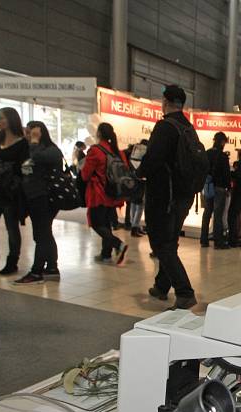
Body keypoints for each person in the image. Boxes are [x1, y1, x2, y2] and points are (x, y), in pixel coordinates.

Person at [137, 84, 198, 310]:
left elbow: (152, 160)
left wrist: (138, 173)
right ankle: (161, 286)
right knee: (170, 241)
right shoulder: (188, 127)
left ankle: (184, 292)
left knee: (161, 243)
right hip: (184, 196)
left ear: (164, 101)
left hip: (164, 196)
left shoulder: (165, 126)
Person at [12, 121, 63, 284]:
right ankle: (52, 268)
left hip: (46, 197)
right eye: (27, 132)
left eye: (31, 132)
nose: (28, 136)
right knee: (44, 233)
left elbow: (37, 158)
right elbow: (26, 170)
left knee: (41, 234)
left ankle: (37, 271)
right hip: (34, 197)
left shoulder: (51, 150)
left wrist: (34, 143)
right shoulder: (29, 149)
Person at [0, 107, 30, 275]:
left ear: (11, 120)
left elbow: (25, 167)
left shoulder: (23, 143)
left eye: (2, 118)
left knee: (12, 228)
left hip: (11, 192)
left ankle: (12, 262)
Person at [81, 123, 129, 265]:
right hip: (113, 194)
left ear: (99, 134)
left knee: (96, 223)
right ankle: (105, 254)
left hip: (98, 193)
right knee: (106, 223)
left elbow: (85, 174)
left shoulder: (95, 150)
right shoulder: (118, 152)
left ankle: (118, 244)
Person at [201, 131, 231, 249]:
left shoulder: (207, 153)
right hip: (219, 187)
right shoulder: (223, 156)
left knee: (207, 213)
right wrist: (228, 187)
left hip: (208, 186)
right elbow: (226, 174)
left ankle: (204, 240)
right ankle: (218, 242)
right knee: (218, 214)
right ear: (222, 142)